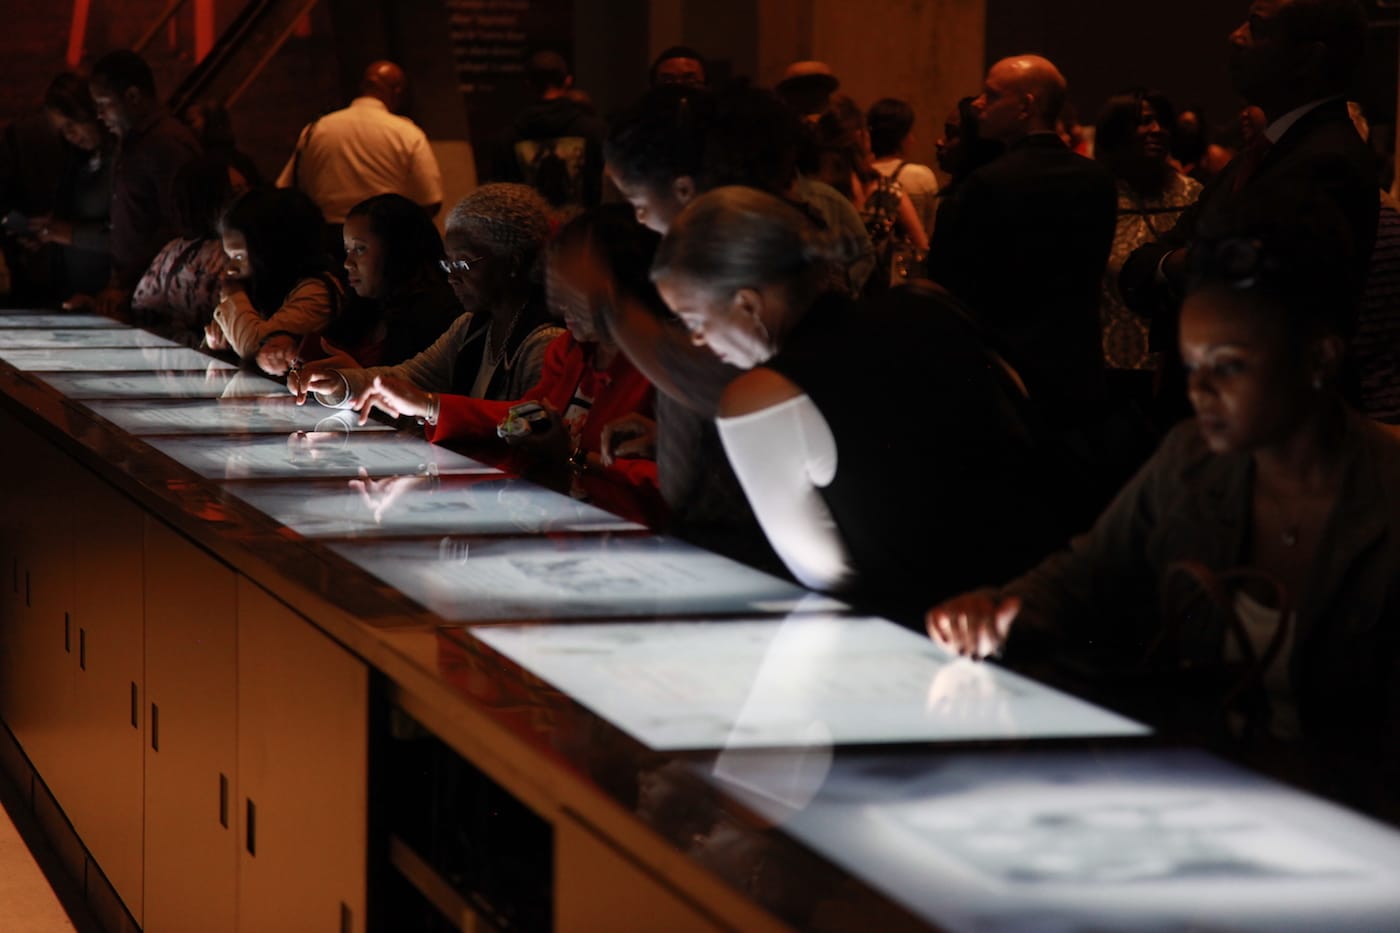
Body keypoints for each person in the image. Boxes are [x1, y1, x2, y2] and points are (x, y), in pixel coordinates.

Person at [928, 201, 1400, 825]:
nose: (1199, 390)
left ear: (1319, 359)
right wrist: (997, 609)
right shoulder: (1189, 460)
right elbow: (1086, 574)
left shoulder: (1385, 494)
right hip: (1220, 805)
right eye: (1192, 365)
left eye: (1228, 366)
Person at [652, 186, 1044, 625]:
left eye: (694, 321)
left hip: (924, 633)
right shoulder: (925, 302)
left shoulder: (760, 398)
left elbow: (824, 574)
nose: (697, 340)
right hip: (1038, 599)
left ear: (747, 303)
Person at [344, 206, 664, 523]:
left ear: (618, 284)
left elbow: (674, 485)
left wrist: (571, 458)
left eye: (574, 288)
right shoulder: (570, 349)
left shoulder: (660, 368)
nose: (560, 302)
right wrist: (429, 405)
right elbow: (524, 415)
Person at [1119, 0, 1378, 329]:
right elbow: (1141, 267)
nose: (1235, 37)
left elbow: (1248, 295)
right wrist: (1185, 263)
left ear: (1308, 58)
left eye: (1255, 27)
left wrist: (1177, 264)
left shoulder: (1327, 163)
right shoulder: (1260, 155)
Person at [927, 55, 1117, 434]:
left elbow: (951, 287)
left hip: (1006, 373)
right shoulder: (1097, 179)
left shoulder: (986, 185)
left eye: (991, 95)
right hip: (1079, 367)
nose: (978, 104)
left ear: (1026, 107)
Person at [289, 184, 560, 412]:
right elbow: (409, 376)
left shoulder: (544, 340)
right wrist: (341, 384)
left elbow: (532, 425)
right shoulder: (472, 326)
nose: (452, 277)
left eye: (463, 264)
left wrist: (430, 406)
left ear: (512, 263)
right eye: (448, 264)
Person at [1095, 90, 1203, 381]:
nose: (1157, 130)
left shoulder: (1191, 193)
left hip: (1174, 361)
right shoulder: (1097, 194)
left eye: (1162, 122)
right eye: (1144, 122)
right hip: (1108, 361)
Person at [87, 49, 202, 315]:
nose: (100, 115)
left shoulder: (165, 144)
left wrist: (127, 281)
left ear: (133, 96)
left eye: (104, 103)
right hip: (136, 292)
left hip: (157, 298)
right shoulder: (134, 144)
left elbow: (177, 227)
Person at [276, 61, 443, 238]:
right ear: (398, 91)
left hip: (327, 240)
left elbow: (286, 189)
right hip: (385, 238)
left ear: (363, 85)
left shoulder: (315, 130)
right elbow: (431, 200)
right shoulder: (406, 132)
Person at [303, 193, 460, 368]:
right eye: (348, 251)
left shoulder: (437, 316)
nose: (348, 263)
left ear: (397, 250)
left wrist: (354, 379)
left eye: (360, 249)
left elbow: (417, 389)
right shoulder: (367, 307)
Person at [207, 187, 343, 376]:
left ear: (271, 252)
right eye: (228, 257)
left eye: (239, 257)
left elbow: (257, 347)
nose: (229, 269)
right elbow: (219, 336)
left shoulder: (317, 291)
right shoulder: (257, 286)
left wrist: (232, 296)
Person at [812, 95, 927, 292]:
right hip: (877, 298)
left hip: (824, 298)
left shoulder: (814, 191)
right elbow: (921, 246)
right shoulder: (887, 190)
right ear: (860, 135)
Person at [26, 73, 114, 303]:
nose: (70, 135)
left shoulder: (122, 162)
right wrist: (47, 231)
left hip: (109, 296)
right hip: (74, 295)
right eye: (63, 130)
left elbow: (128, 236)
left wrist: (67, 233)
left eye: (73, 124)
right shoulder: (78, 163)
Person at [488, 51, 606, 215]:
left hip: (530, 233)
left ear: (528, 84)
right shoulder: (594, 131)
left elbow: (501, 198)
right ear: (568, 81)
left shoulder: (508, 138)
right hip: (583, 234)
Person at [131, 154, 232, 346]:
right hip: (205, 353)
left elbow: (143, 304)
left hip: (173, 355)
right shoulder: (228, 253)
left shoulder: (174, 250)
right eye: (234, 192)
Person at [867, 96, 940, 241]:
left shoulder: (860, 177)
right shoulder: (920, 176)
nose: (912, 139)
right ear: (902, 136)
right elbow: (931, 229)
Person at [181, 99, 262, 191]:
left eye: (191, 122)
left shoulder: (219, 159)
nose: (187, 129)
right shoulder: (232, 154)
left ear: (210, 120)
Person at [1170, 106, 1233, 185]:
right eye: (1180, 124)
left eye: (1188, 124)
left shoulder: (1211, 155)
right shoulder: (1170, 157)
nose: (1184, 129)